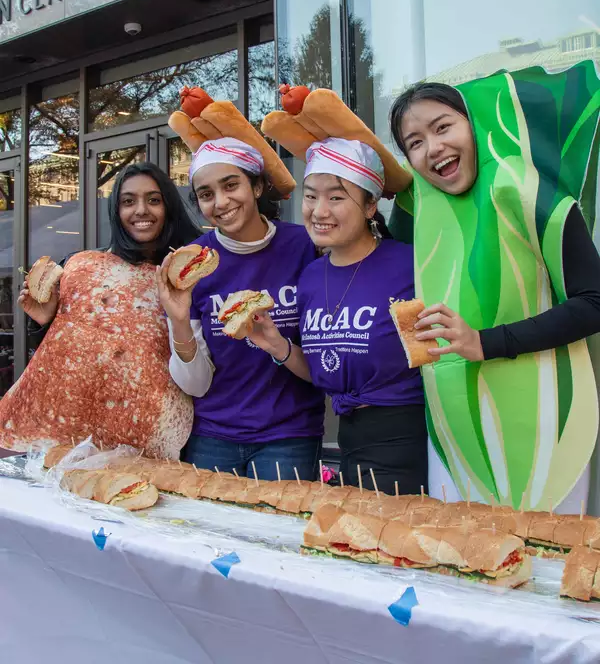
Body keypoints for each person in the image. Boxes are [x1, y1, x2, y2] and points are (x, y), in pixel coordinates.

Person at [388, 67, 600, 512]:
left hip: (545, 425)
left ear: (474, 123)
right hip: (451, 431)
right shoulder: (416, 209)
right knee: (463, 568)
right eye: (415, 143)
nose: (434, 148)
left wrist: (483, 342)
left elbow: (594, 302)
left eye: (443, 127)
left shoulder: (528, 190)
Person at [246, 135, 428, 496]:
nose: (319, 210)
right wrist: (276, 345)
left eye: (336, 197)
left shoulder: (409, 264)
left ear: (370, 206)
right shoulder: (312, 275)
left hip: (404, 436)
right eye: (311, 195)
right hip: (348, 436)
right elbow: (320, 372)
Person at [157, 117, 324, 481]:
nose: (221, 202)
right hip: (213, 435)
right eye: (206, 194)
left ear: (258, 185)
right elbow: (195, 384)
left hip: (290, 433)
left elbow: (325, 352)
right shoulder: (191, 266)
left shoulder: (305, 246)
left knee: (278, 536)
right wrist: (180, 321)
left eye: (231, 185)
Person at [0, 162, 199, 457]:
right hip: (74, 431)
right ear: (116, 212)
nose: (141, 210)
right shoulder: (79, 266)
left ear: (169, 206)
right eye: (128, 201)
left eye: (153, 200)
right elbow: (60, 365)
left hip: (152, 430)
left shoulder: (188, 276)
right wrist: (45, 323)